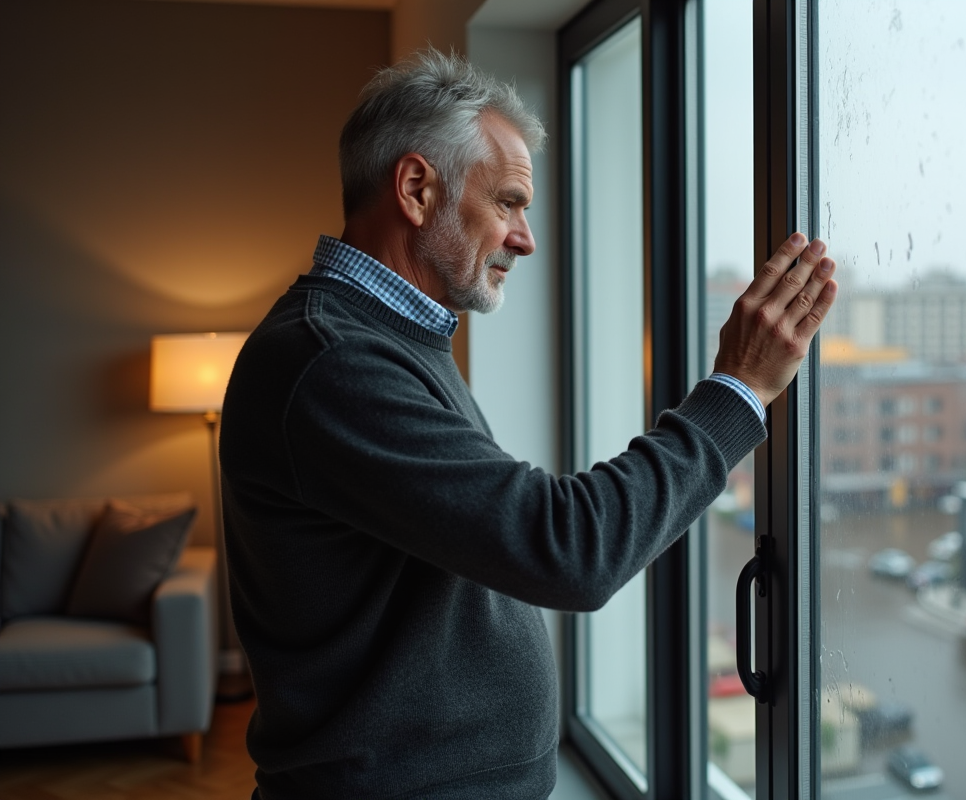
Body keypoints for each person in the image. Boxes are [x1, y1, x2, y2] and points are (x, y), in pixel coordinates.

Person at [219, 49, 837, 800]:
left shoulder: (386, 338)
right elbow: (565, 548)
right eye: (509, 202)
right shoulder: (330, 363)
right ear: (417, 189)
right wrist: (736, 390)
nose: (526, 238)